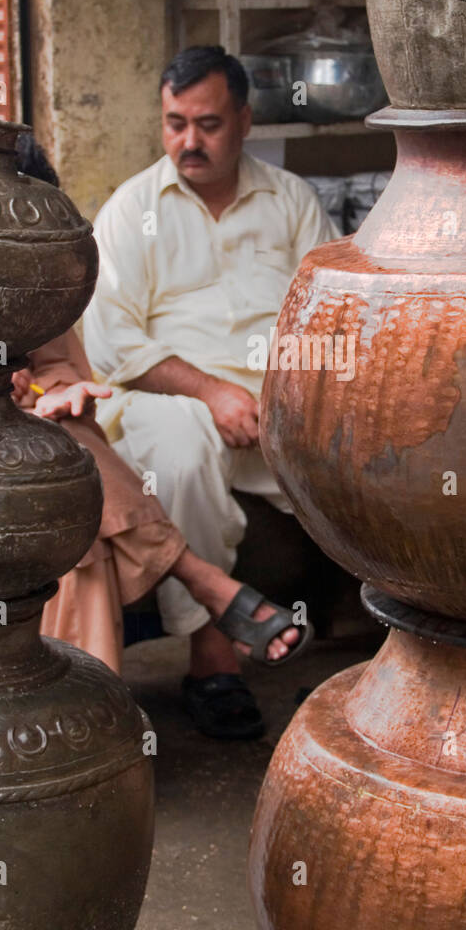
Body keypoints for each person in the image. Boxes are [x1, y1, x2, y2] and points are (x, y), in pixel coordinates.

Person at [0, 132, 306, 738]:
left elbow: (64, 372)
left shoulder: (29, 275)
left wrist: (51, 395)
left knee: (73, 520)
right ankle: (199, 582)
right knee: (73, 483)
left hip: (21, 457)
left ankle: (74, 729)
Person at [83, 45, 339, 737]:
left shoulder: (291, 203)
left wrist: (291, 396)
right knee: (183, 450)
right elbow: (112, 346)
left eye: (207, 124)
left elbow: (331, 310)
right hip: (167, 402)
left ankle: (393, 636)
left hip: (279, 410)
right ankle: (213, 657)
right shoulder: (132, 209)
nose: (188, 142)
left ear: (246, 121)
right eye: (174, 123)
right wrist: (210, 392)